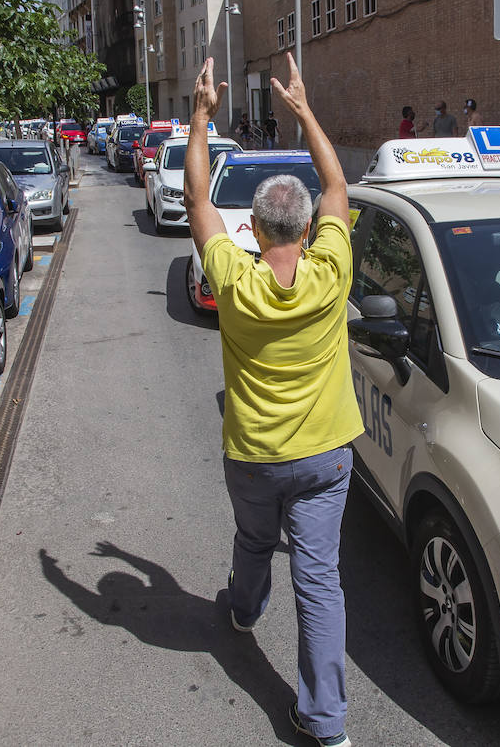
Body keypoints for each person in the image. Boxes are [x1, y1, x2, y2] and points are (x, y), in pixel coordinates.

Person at [185, 55, 363, 747]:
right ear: (307, 229)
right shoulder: (331, 270)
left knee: (256, 539)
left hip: (255, 456)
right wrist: (304, 110)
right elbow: (339, 183)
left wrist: (202, 114)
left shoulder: (234, 277)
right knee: (319, 581)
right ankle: (327, 722)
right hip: (325, 457)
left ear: (256, 231)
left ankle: (244, 607)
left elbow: (199, 201)